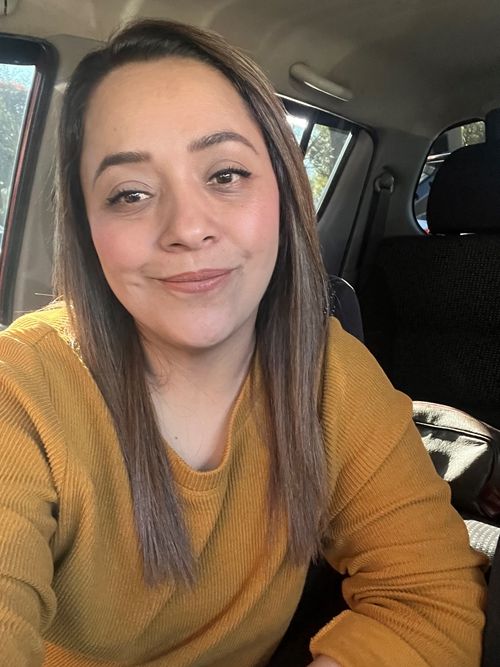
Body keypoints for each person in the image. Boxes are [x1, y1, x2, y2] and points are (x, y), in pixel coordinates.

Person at [0, 18, 486, 667]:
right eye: (130, 193)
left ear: (283, 190)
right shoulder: (21, 391)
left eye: (226, 174)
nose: (188, 227)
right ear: (87, 228)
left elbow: (429, 592)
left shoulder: (330, 371)